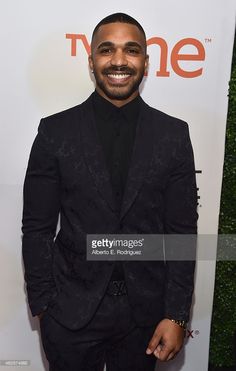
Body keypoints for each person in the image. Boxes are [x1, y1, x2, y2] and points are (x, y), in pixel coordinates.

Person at [22, 12, 198, 371]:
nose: (119, 60)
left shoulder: (173, 135)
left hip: (144, 318)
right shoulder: (55, 132)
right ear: (92, 61)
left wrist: (177, 315)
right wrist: (44, 305)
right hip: (69, 314)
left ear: (145, 63)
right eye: (107, 50)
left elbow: (182, 233)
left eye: (131, 50)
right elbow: (37, 228)